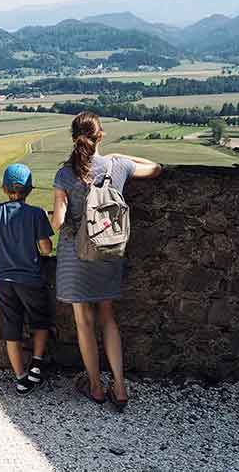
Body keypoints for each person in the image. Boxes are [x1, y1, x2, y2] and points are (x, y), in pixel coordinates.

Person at [51, 111, 161, 411]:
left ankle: (97, 387)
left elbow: (59, 223)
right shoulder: (118, 165)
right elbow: (155, 168)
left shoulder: (64, 174)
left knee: (84, 322)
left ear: (74, 138)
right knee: (108, 317)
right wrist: (118, 155)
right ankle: (121, 386)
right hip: (109, 250)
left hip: (76, 254)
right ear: (100, 135)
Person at [0, 163, 55, 395]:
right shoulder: (37, 213)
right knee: (40, 321)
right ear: (30, 189)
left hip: (3, 279)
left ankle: (20, 378)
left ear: (4, 188)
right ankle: (36, 364)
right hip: (30, 278)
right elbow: (46, 248)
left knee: (12, 329)